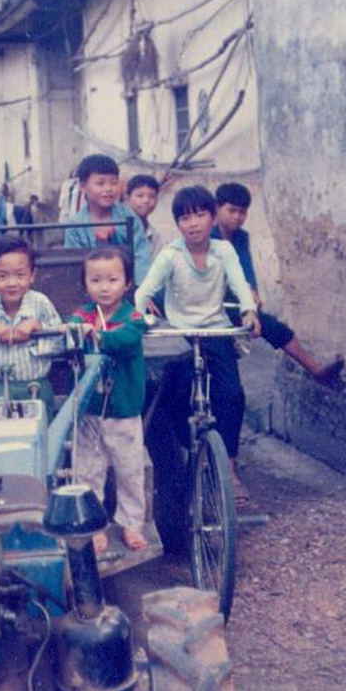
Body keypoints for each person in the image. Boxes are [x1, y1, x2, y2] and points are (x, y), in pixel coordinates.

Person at [135, 185, 260, 499]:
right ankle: (184, 452)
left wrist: (249, 310)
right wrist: (141, 312)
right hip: (179, 335)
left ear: (212, 217)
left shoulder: (224, 251)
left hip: (215, 331)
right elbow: (143, 291)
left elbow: (240, 284)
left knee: (232, 395)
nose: (193, 223)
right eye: (185, 218)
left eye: (200, 215)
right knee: (176, 397)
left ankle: (228, 465)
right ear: (178, 224)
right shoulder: (171, 255)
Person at [213, 182, 344, 386]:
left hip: (235, 301)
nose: (237, 216)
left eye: (242, 212)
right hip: (211, 300)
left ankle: (317, 370)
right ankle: (316, 371)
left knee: (275, 328)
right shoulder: (208, 237)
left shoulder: (241, 237)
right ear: (217, 208)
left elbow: (246, 269)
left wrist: (253, 293)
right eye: (231, 210)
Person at [68, 248, 149, 555]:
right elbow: (72, 330)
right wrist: (78, 330)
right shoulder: (82, 315)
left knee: (129, 470)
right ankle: (95, 524)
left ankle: (131, 522)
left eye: (113, 279)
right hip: (90, 409)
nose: (104, 287)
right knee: (88, 469)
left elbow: (125, 340)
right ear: (86, 284)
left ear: (127, 283)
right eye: (96, 280)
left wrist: (97, 337)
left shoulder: (134, 318)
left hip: (123, 410)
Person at [0, 233, 63, 414]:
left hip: (37, 386)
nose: (12, 283)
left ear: (32, 275)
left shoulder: (41, 303)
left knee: (41, 437)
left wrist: (38, 327)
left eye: (20, 275)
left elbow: (60, 342)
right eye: (2, 276)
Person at [63, 154, 151, 285]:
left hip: (128, 288)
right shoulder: (75, 226)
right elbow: (74, 268)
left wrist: (142, 290)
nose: (108, 189)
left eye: (114, 182)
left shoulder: (128, 217)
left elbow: (141, 256)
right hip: (92, 290)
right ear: (83, 186)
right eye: (100, 183)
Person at [126, 173, 164, 260]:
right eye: (140, 196)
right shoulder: (119, 227)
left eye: (152, 196)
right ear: (128, 198)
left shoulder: (154, 236)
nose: (146, 200)